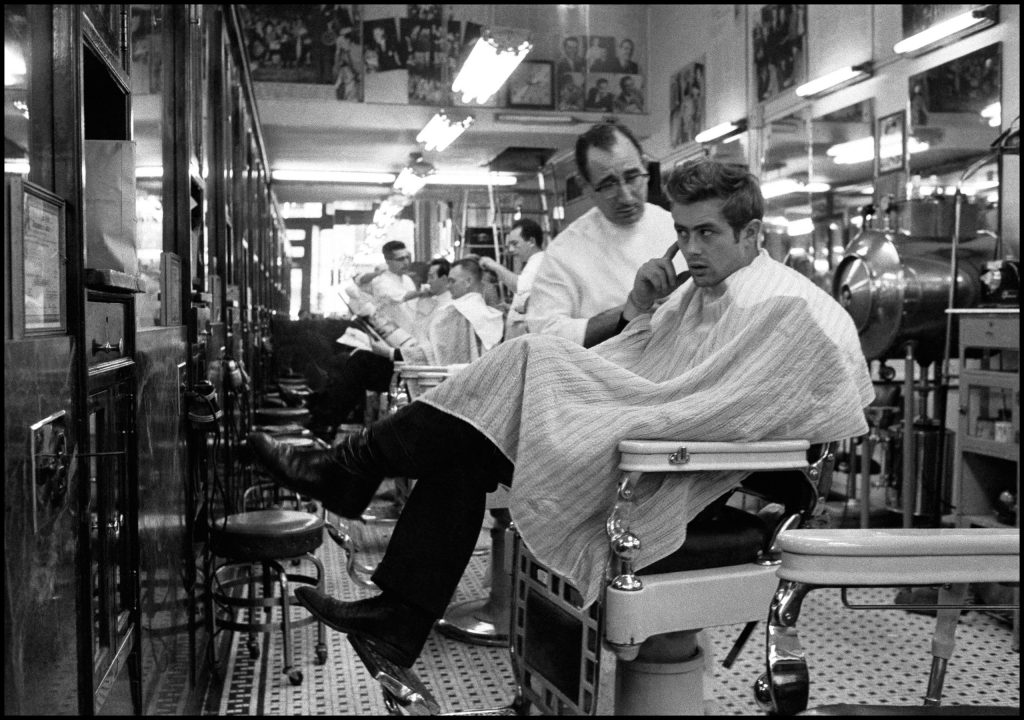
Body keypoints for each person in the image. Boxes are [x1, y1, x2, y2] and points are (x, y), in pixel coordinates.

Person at [246, 159, 874, 670]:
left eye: (706, 233)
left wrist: (618, 405)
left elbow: (759, 408)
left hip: (677, 470)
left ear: (752, 234)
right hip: (636, 435)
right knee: (467, 447)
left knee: (528, 357)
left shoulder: (792, 310)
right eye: (681, 233)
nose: (690, 248)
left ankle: (346, 472)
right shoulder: (692, 295)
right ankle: (397, 618)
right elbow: (643, 367)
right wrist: (640, 308)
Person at [527, 120, 683, 347]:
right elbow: (544, 333)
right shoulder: (565, 252)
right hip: (605, 374)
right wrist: (633, 309)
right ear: (585, 186)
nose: (627, 196)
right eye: (609, 185)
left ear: (646, 167)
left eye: (632, 177)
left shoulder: (675, 226)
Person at [479, 219, 546, 340]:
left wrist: (494, 265)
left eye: (515, 244)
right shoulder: (533, 262)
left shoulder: (538, 260)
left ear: (531, 241)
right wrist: (513, 308)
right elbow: (530, 300)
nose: (511, 249)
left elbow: (519, 286)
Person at [369, 240, 428, 337]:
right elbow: (400, 298)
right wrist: (422, 291)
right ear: (388, 262)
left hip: (412, 334)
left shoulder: (407, 279)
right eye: (400, 259)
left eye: (407, 258)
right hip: (394, 337)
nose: (406, 262)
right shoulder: (380, 282)